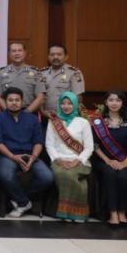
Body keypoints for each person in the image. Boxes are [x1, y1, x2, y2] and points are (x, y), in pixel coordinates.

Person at [0, 87, 53, 218]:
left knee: (47, 177)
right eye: (10, 100)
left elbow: (38, 142)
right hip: (7, 155)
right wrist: (13, 157)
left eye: (17, 100)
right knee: (6, 175)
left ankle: (21, 199)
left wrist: (33, 158)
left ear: (22, 101)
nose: (14, 103)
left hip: (29, 155)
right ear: (5, 102)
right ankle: (24, 202)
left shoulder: (32, 119)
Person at [91, 90, 127, 226]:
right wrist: (108, 160)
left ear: (123, 103)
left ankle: (122, 212)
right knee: (110, 173)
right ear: (106, 102)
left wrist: (125, 162)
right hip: (103, 161)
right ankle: (112, 213)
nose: (114, 103)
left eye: (118, 100)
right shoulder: (98, 123)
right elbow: (95, 146)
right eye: (111, 100)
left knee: (123, 175)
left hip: (126, 161)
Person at [46, 91, 94, 223]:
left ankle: (76, 213)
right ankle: (66, 212)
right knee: (65, 174)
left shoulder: (83, 122)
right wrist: (58, 159)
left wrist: (77, 160)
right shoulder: (54, 122)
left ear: (76, 105)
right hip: (59, 160)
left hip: (79, 160)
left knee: (71, 175)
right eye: (63, 103)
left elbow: (89, 147)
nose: (66, 106)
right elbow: (49, 145)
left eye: (70, 103)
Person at [0, 42, 45, 114]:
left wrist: (27, 112)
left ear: (25, 53)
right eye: (14, 51)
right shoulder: (0, 73)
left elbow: (40, 97)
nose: (17, 53)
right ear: (9, 54)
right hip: (7, 113)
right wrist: (8, 111)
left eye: (19, 50)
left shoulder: (36, 73)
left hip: (30, 112)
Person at [40, 44, 85, 118]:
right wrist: (43, 112)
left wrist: (64, 112)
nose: (55, 57)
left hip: (67, 117)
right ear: (48, 57)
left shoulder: (74, 73)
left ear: (66, 57)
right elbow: (39, 96)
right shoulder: (42, 73)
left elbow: (78, 97)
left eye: (59, 54)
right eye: (52, 54)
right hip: (46, 116)